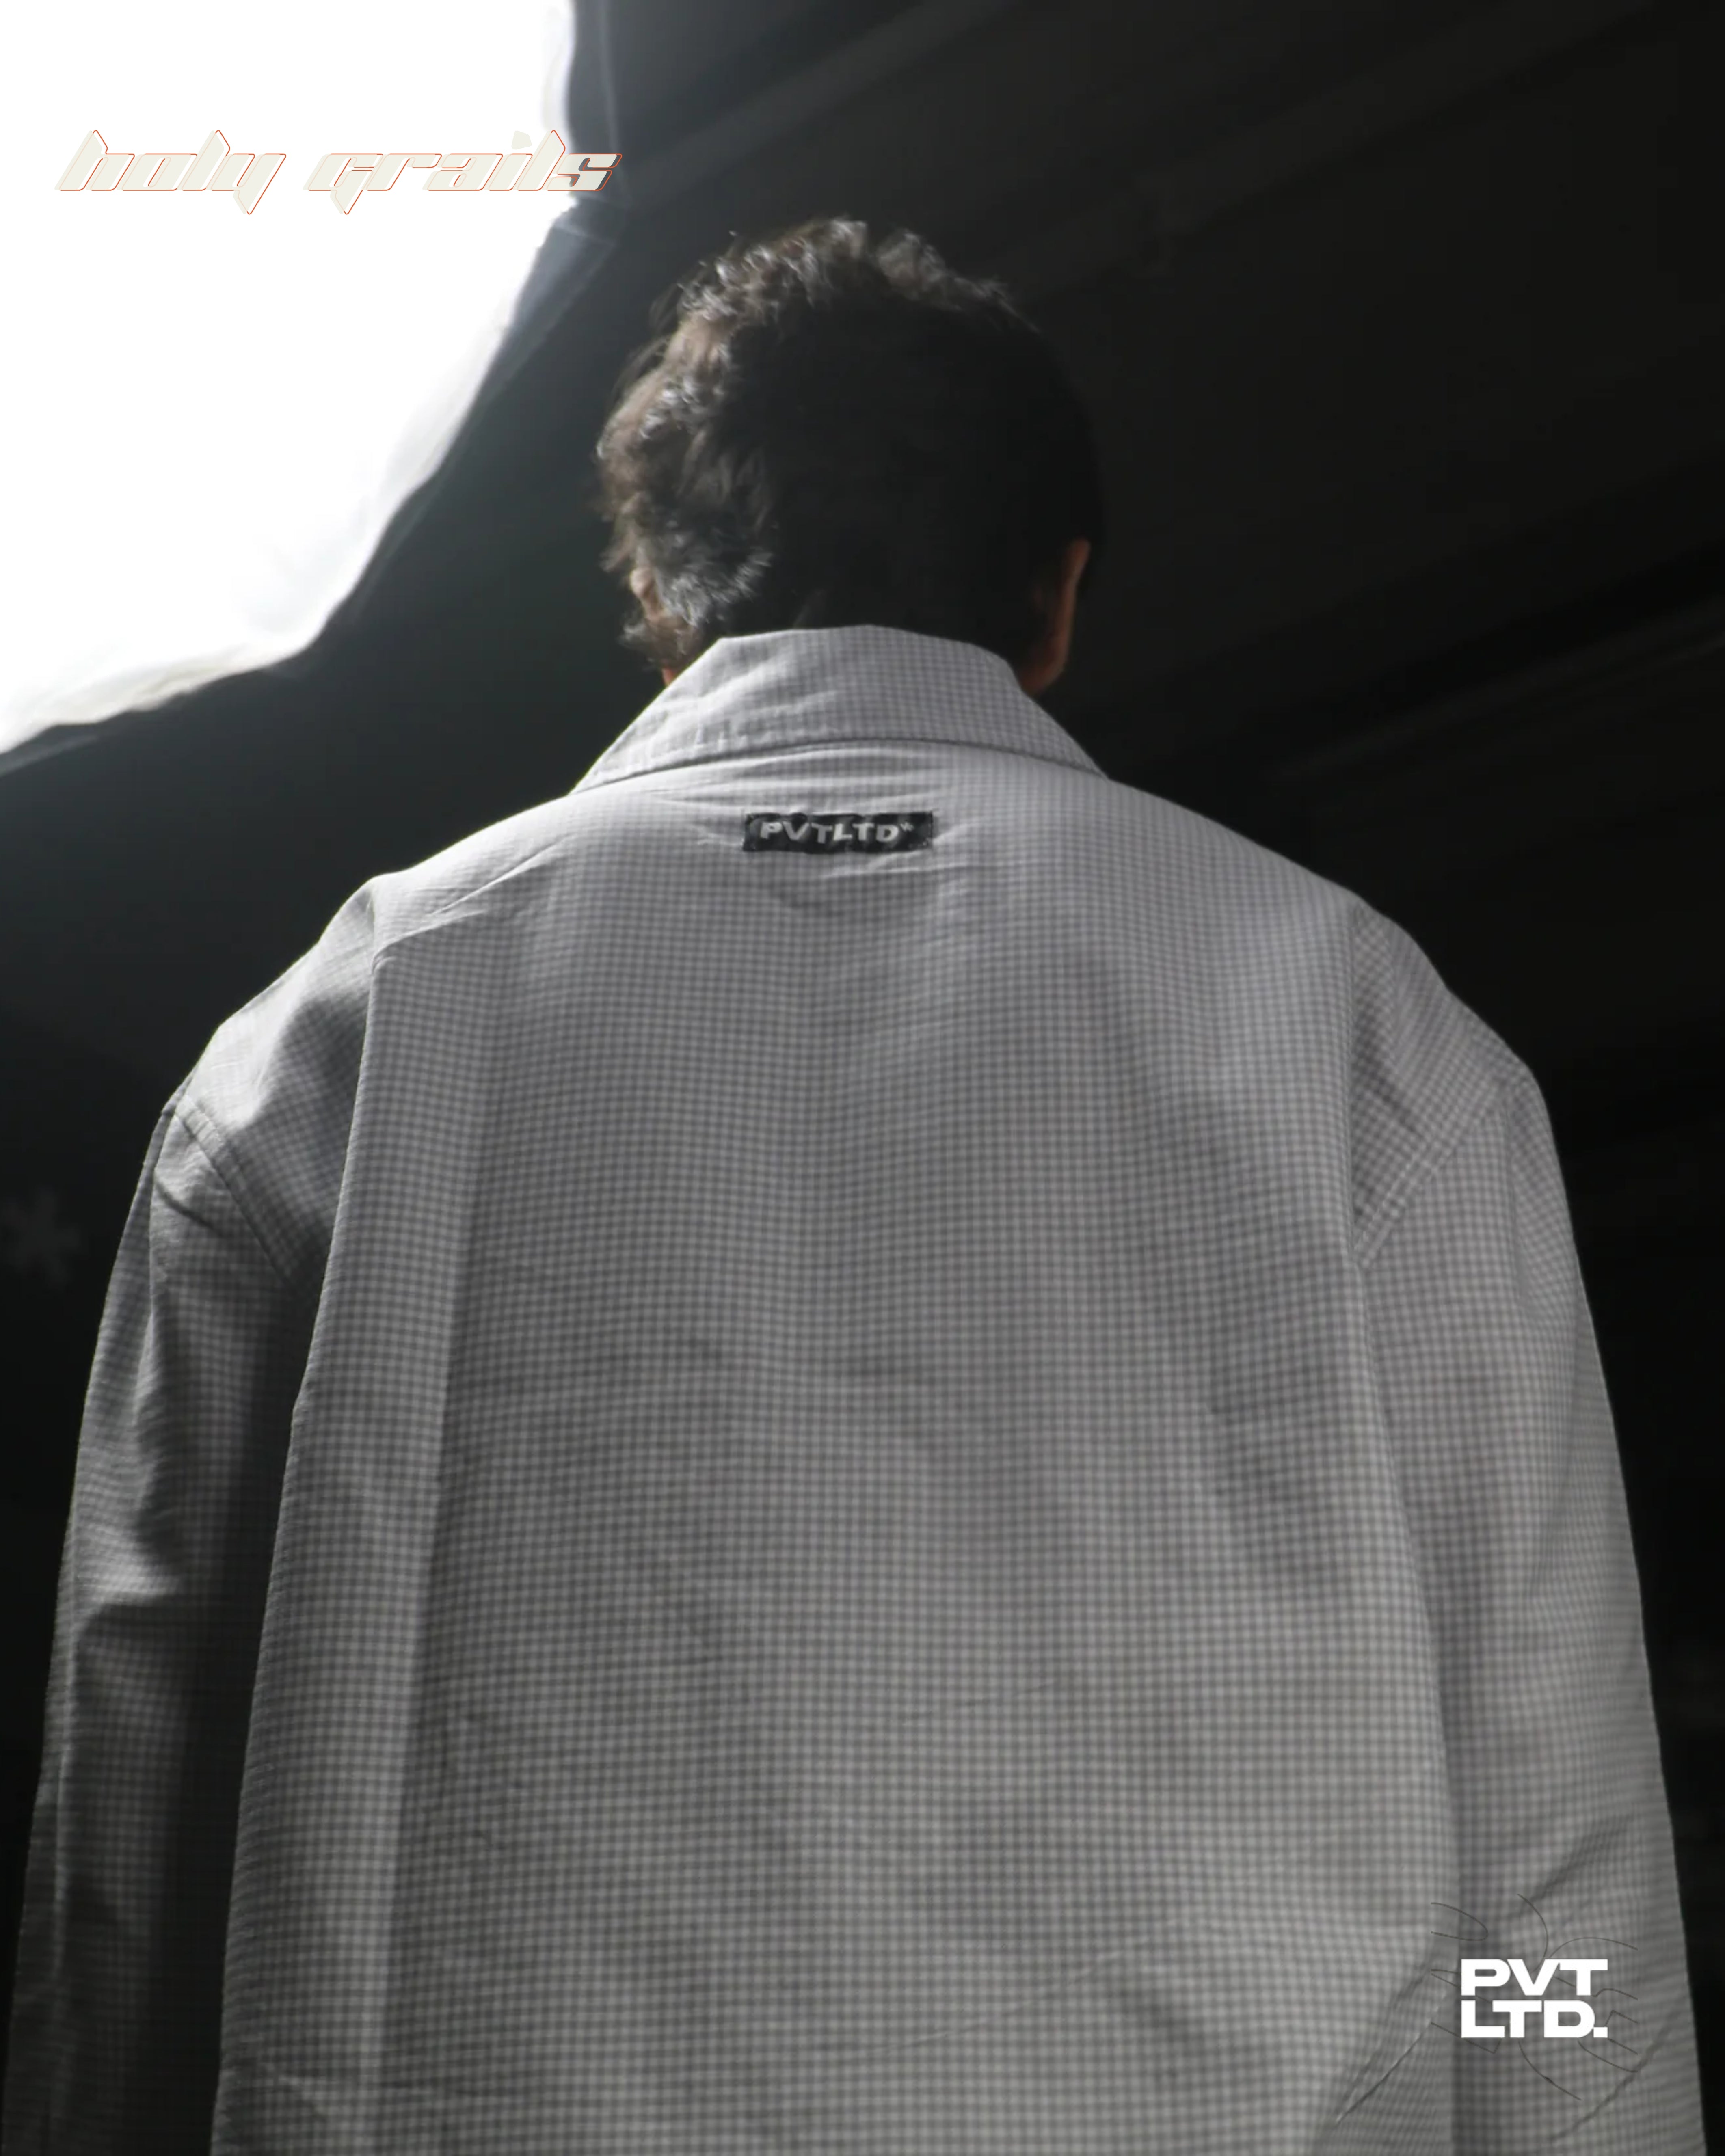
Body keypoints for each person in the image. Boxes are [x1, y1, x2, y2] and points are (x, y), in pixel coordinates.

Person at [1, 218, 1703, 2154]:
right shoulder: (1366, 1034)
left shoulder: (335, 1038)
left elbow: (134, 1864)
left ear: (662, 597)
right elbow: (1551, 1875)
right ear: (1057, 598)